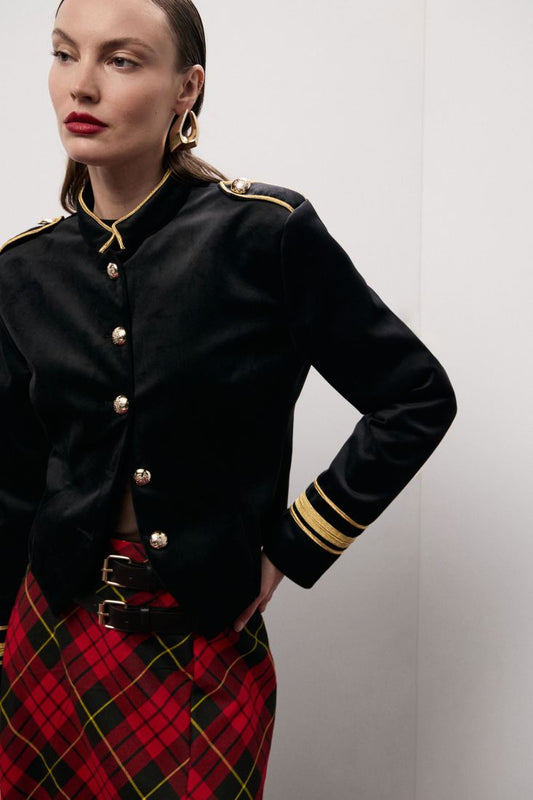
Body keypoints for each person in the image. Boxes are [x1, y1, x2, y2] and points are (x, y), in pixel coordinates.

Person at [0, 0, 457, 797]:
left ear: (187, 88)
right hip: (43, 641)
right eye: (65, 53)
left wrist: (293, 547)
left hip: (198, 642)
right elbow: (12, 478)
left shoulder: (263, 234)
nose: (82, 85)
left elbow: (415, 397)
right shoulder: (22, 269)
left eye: (121, 59)